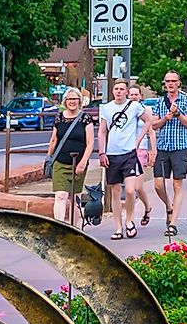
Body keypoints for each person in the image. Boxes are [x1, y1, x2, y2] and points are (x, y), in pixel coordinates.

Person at [100, 77, 153, 239]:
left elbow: (148, 120)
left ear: (127, 92)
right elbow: (102, 131)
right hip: (112, 153)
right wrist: (102, 152)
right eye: (116, 89)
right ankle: (118, 227)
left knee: (130, 190)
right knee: (115, 191)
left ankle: (129, 220)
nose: (119, 92)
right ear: (112, 91)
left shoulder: (134, 106)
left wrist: (139, 139)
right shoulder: (106, 108)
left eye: (122, 89)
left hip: (129, 152)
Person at [148, 71, 187, 239]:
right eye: (168, 81)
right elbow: (154, 125)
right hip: (163, 147)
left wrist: (178, 115)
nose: (170, 84)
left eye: (173, 81)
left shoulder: (186, 101)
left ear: (179, 83)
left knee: (177, 184)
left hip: (179, 146)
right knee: (158, 184)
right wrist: (166, 118)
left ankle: (173, 223)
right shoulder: (160, 102)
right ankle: (169, 206)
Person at [47, 88, 95, 227]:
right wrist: (48, 158)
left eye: (75, 99)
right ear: (65, 101)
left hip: (78, 162)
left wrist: (83, 162)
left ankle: (74, 228)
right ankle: (60, 227)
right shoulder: (59, 117)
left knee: (75, 197)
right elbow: (54, 140)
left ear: (79, 101)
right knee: (60, 195)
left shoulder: (85, 118)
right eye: (69, 99)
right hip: (60, 162)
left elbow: (90, 142)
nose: (72, 102)